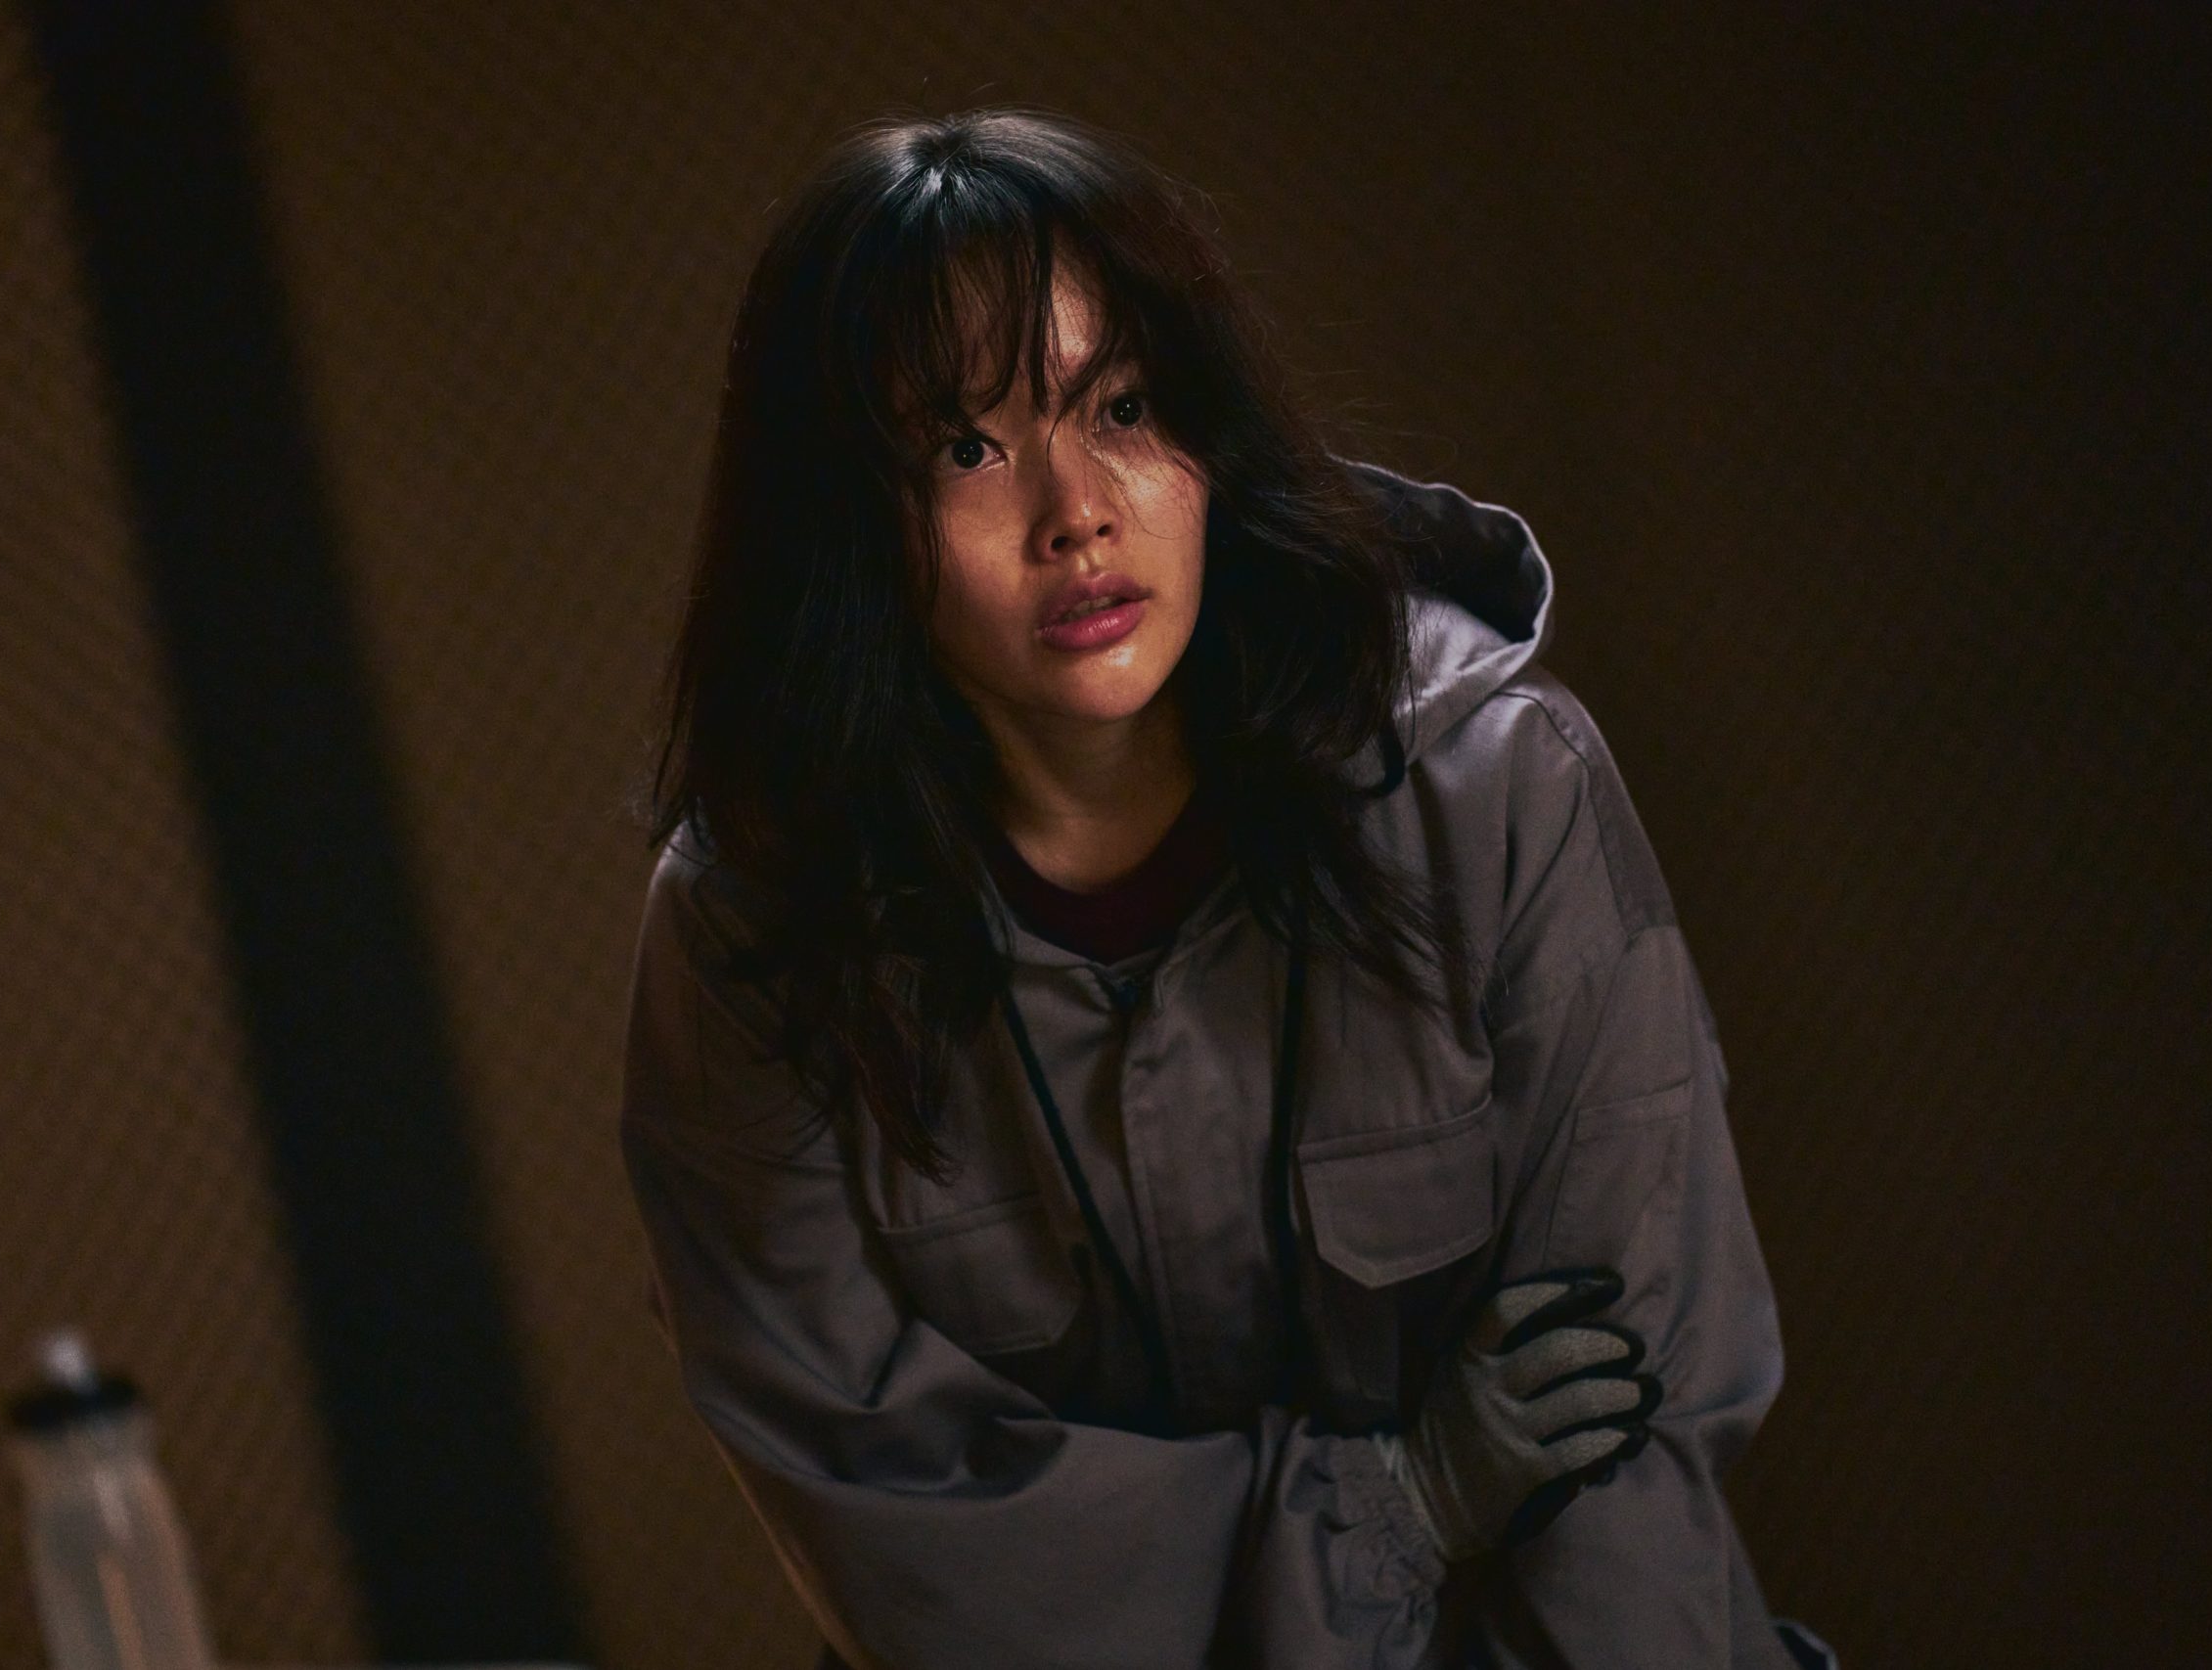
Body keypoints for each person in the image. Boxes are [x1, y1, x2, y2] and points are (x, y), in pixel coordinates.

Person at [617, 107, 1834, 1669]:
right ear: (845, 519)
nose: (1077, 512)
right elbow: (906, 1544)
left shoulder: (1492, 786)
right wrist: (1395, 1513)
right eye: (967, 448)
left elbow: (1625, 1447)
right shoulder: (749, 941)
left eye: (1123, 407)